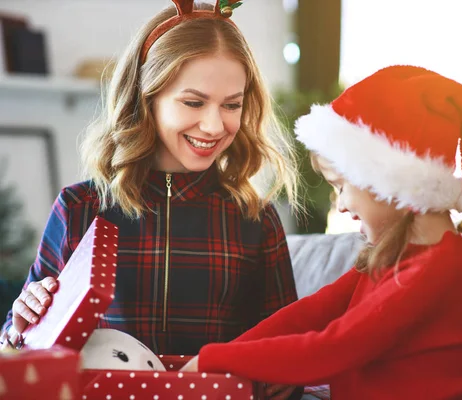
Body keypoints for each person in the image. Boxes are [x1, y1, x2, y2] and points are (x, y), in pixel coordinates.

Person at [1, 1, 302, 398]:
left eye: (232, 104)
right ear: (147, 97)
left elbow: (289, 359)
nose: (214, 125)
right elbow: (20, 348)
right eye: (193, 102)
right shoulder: (79, 208)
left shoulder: (255, 220)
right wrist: (22, 324)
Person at [181, 65, 462, 399]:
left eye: (340, 187)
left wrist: (216, 359)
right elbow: (309, 314)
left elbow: (335, 347)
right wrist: (225, 357)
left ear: (386, 183)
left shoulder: (435, 269)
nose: (339, 205)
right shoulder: (394, 254)